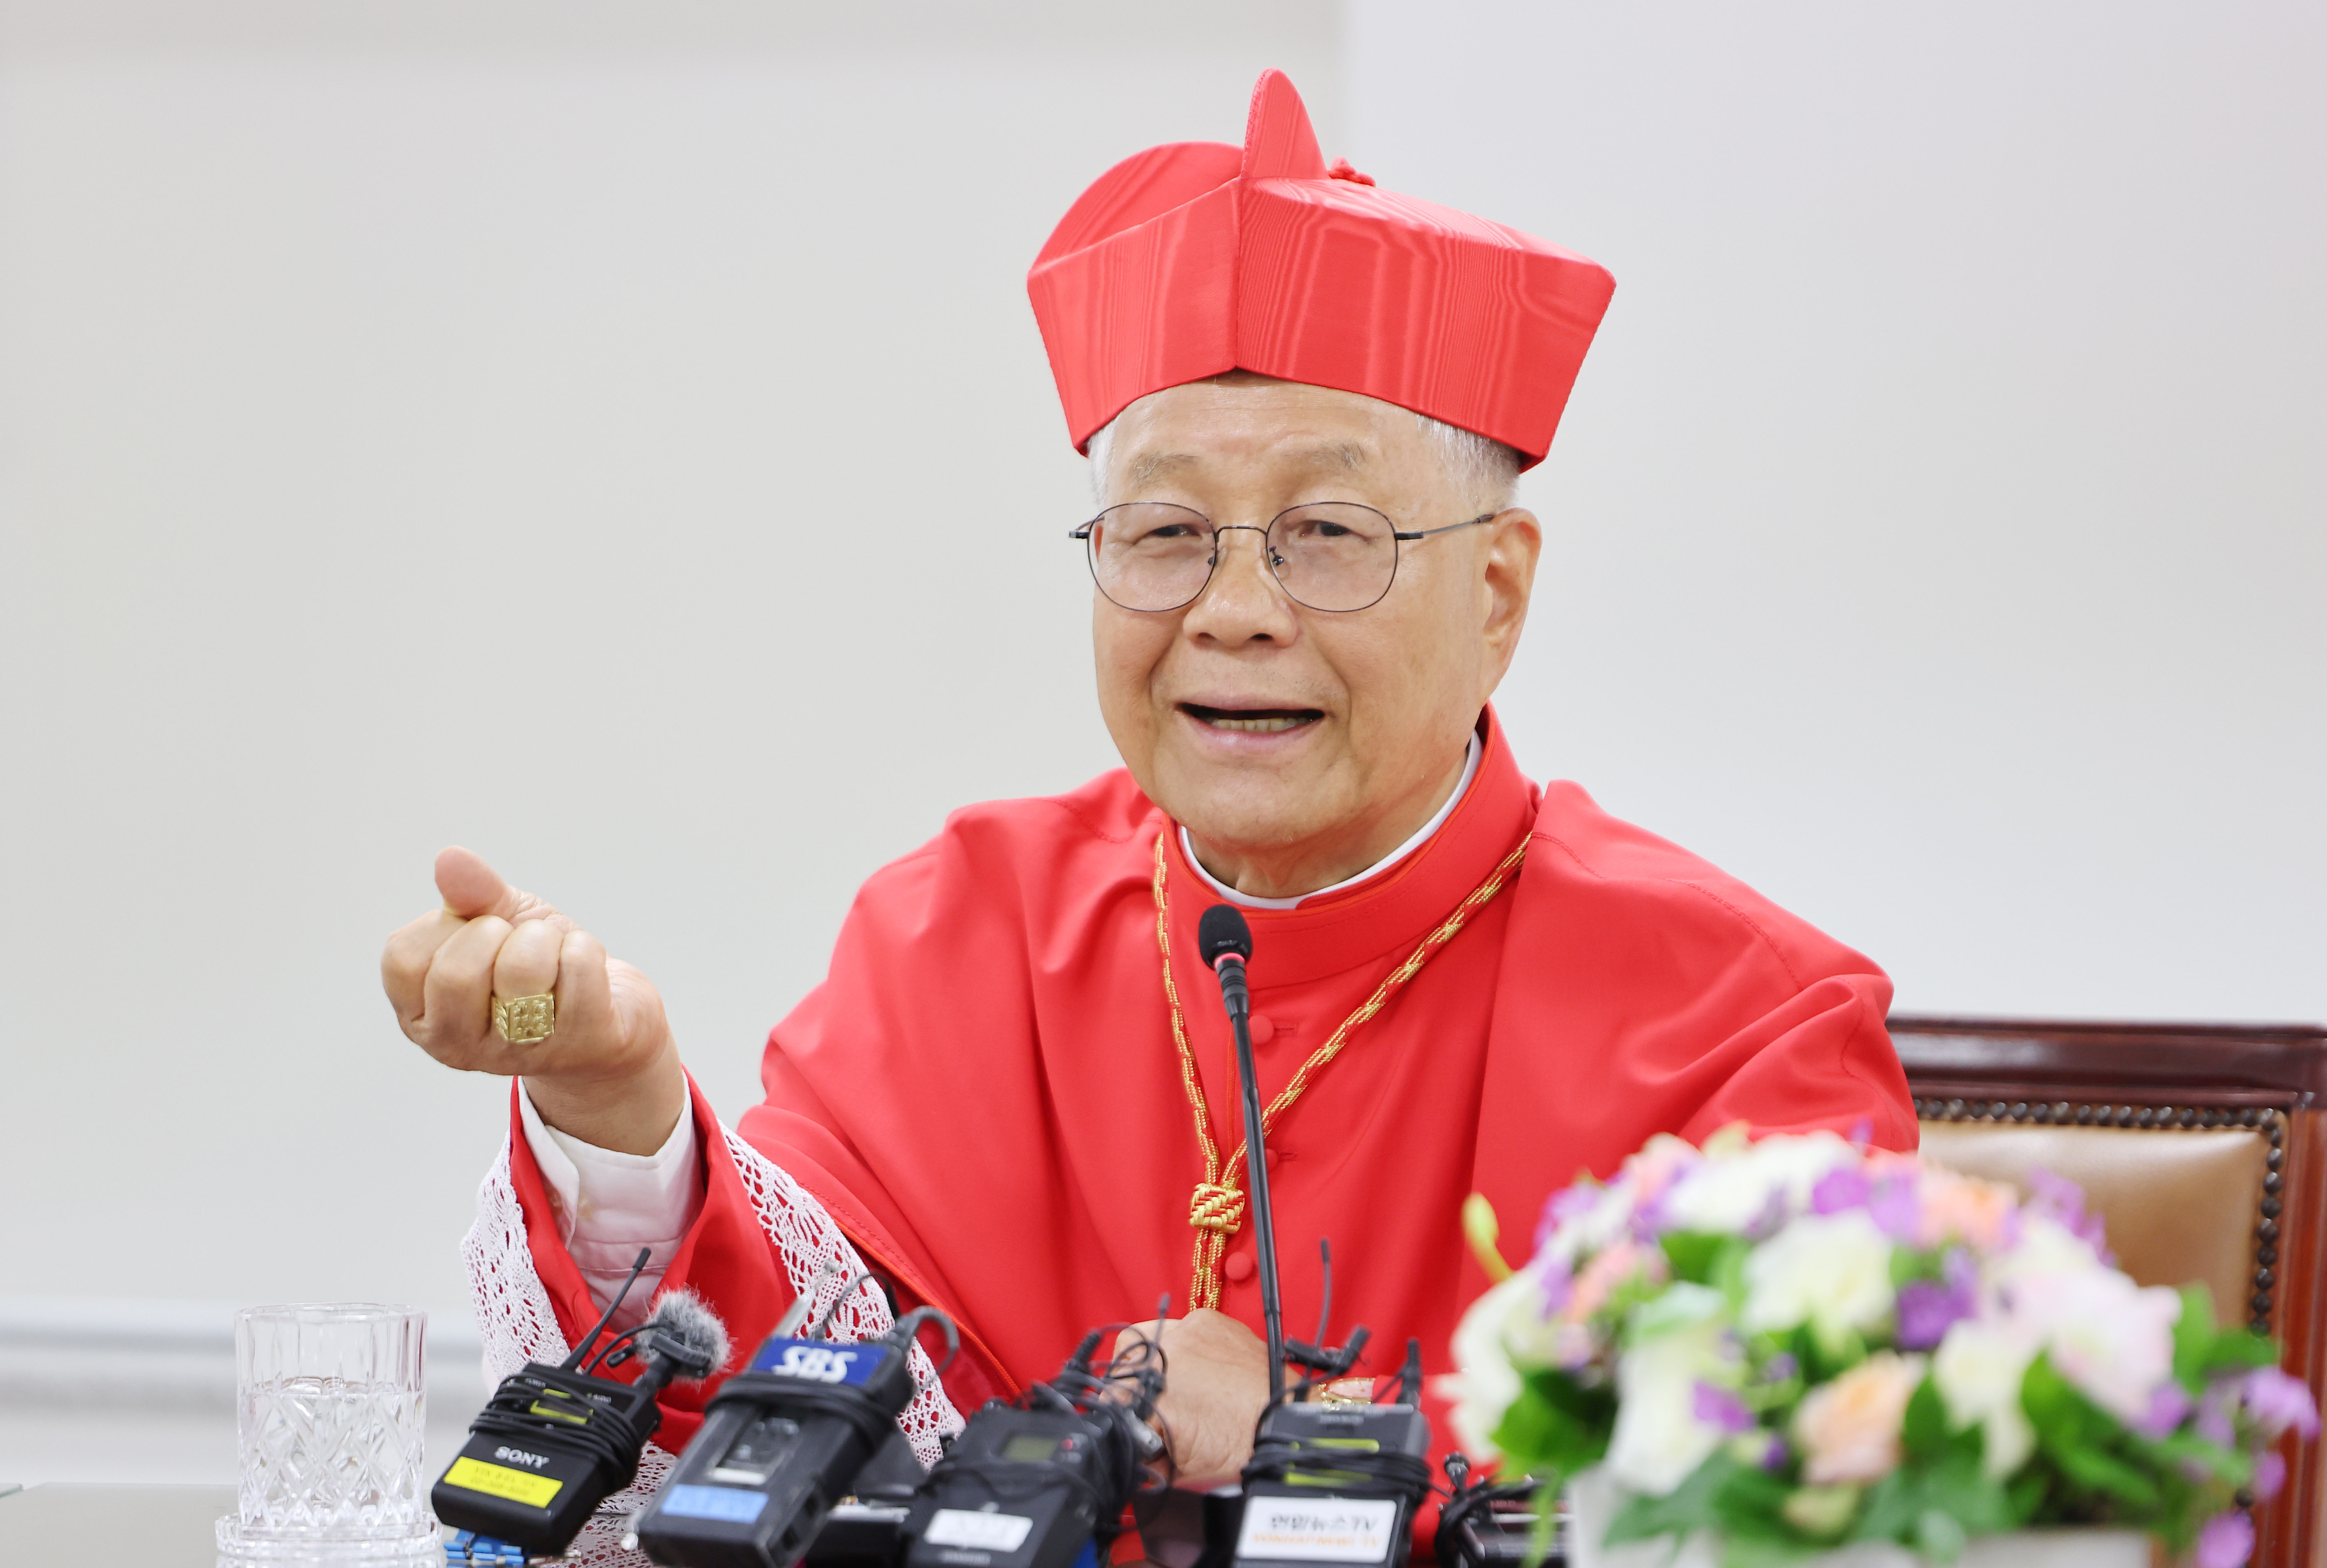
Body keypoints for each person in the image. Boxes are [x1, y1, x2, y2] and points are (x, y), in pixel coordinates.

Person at [383, 70, 1915, 1503]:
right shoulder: (959, 935)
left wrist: (1320, 1447)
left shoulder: (1741, 1028)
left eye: (1327, 531)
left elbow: (1814, 1496)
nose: (1234, 607)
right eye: (1166, 531)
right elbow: (782, 1407)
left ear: (1499, 592)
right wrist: (612, 1105)